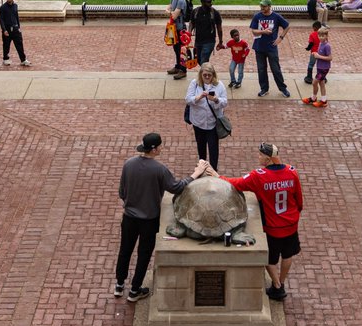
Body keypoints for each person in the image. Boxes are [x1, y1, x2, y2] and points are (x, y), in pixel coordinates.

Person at [114, 133, 208, 303]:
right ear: (154, 149)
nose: (161, 148)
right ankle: (134, 291)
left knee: (125, 251)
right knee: (144, 255)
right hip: (149, 220)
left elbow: (122, 192)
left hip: (129, 218)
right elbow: (176, 187)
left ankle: (119, 285)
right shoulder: (159, 169)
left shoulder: (128, 164)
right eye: (160, 146)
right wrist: (196, 174)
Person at [210, 142, 303, 301]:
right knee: (288, 254)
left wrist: (217, 176)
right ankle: (281, 282)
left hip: (272, 226)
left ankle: (277, 286)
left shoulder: (259, 176)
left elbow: (236, 184)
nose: (258, 157)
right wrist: (295, 215)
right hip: (291, 224)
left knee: (269, 258)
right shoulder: (292, 172)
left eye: (260, 155)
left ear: (268, 159)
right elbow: (299, 199)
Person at [184, 63, 227, 170]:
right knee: (201, 147)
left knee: (213, 148)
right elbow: (188, 99)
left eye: (209, 75)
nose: (207, 77)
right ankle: (202, 168)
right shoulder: (194, 84)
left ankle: (213, 170)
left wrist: (216, 99)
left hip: (213, 123)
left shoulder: (219, 85)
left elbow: (225, 102)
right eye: (205, 75)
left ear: (213, 75)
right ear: (201, 74)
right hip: (198, 122)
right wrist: (198, 97)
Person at [249, 0, 290, 98]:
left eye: (264, 6)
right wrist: (263, 31)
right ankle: (264, 89)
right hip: (259, 48)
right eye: (261, 6)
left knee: (276, 69)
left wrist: (280, 38)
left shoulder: (276, 16)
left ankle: (283, 89)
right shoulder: (257, 16)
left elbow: (287, 26)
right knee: (261, 69)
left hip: (272, 48)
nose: (262, 8)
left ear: (269, 6)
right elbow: (254, 31)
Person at [0, 0, 30, 66]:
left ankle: (23, 60)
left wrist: (18, 27)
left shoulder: (15, 6)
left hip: (15, 29)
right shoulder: (3, 7)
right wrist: (4, 30)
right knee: (6, 45)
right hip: (7, 29)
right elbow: (1, 19)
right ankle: (5, 59)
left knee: (19, 44)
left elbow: (16, 16)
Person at [190, 0, 223, 66]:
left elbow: (219, 28)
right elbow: (192, 23)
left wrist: (220, 41)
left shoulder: (215, 13)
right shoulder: (195, 12)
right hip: (198, 41)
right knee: (198, 59)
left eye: (211, 1)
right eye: (208, 2)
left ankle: (206, 72)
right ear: (202, 3)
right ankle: (209, 71)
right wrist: (189, 32)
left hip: (209, 41)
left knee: (204, 60)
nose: (211, 3)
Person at [303, 27, 332, 107]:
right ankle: (323, 100)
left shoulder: (327, 46)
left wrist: (318, 56)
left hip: (324, 69)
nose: (320, 37)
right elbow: (320, 54)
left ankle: (314, 98)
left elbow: (330, 58)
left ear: (326, 36)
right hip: (319, 67)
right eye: (319, 36)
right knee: (321, 83)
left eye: (323, 36)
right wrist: (315, 53)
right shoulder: (320, 43)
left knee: (314, 82)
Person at [166, 0, 189, 79]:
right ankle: (178, 66)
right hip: (174, 28)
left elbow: (174, 16)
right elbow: (170, 6)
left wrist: (168, 11)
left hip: (180, 29)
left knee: (181, 50)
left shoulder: (181, 1)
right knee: (176, 49)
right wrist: (170, 10)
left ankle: (183, 70)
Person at [302, 20, 322, 85]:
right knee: (320, 65)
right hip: (321, 52)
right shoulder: (322, 34)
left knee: (311, 64)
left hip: (314, 53)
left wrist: (308, 48)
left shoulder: (312, 34)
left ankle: (309, 78)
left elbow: (311, 43)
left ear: (315, 27)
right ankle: (321, 77)